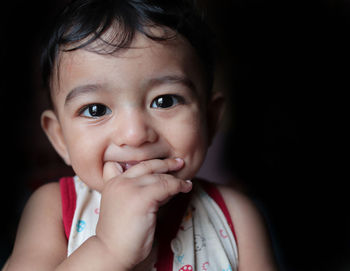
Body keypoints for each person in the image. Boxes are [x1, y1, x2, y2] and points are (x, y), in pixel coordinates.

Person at [3, 0, 277, 270]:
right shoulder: (53, 210)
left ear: (210, 120)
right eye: (96, 109)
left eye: (165, 101)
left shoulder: (235, 217)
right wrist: (109, 249)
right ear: (60, 138)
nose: (134, 135)